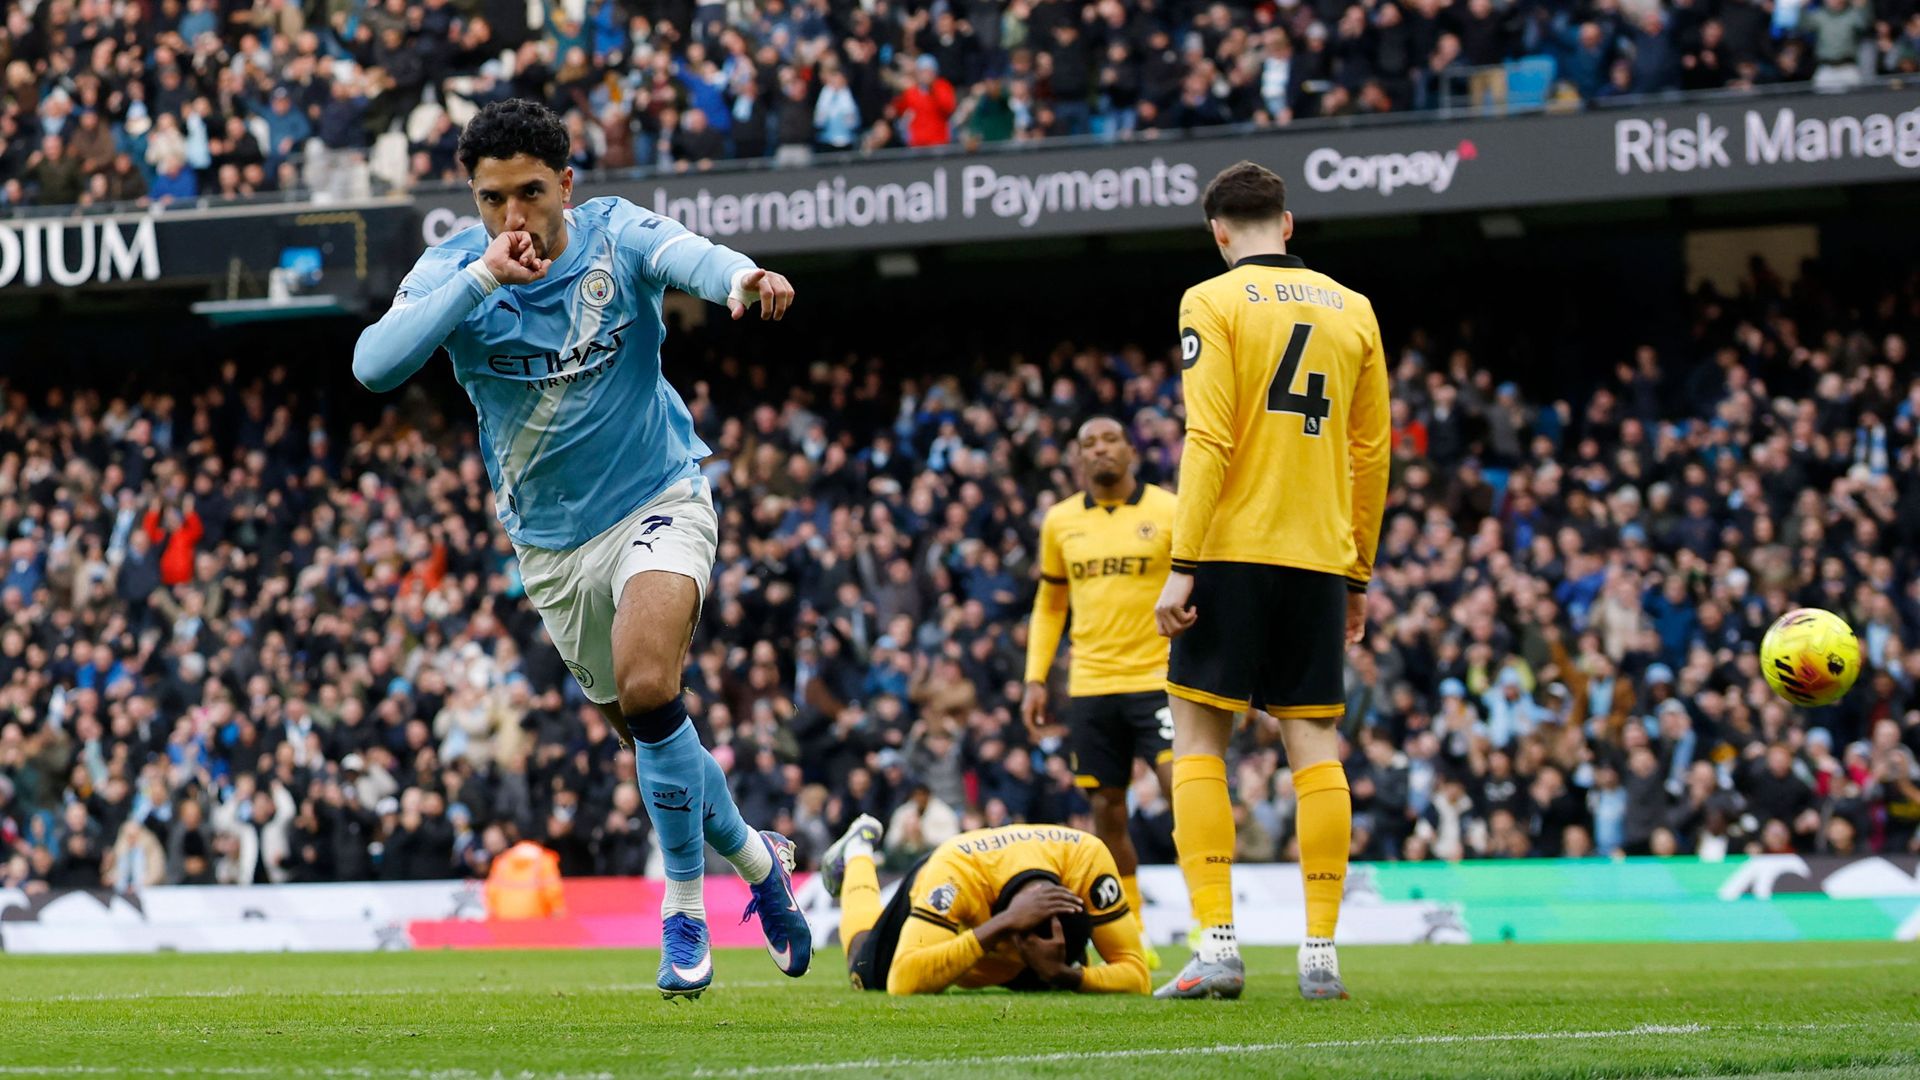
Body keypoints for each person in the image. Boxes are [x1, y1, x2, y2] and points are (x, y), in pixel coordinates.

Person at [351, 98, 809, 1000]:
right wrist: (481, 277)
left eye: (529, 193)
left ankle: (683, 912)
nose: (513, 218)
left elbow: (691, 255)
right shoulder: (454, 272)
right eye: (492, 200)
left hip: (658, 497)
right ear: (471, 200)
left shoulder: (613, 237)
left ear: (566, 184)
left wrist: (744, 278)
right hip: (551, 549)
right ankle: (760, 863)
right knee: (654, 735)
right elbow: (374, 365)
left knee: (649, 686)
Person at [1152, 161, 1390, 1001]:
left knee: (1199, 740)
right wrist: (1357, 572)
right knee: (1315, 747)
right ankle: (1320, 954)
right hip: (1321, 557)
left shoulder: (1209, 301)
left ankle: (1218, 946)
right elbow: (1372, 454)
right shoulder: (1355, 309)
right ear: (1288, 224)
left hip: (1230, 551)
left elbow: (1207, 436)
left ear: (1219, 232)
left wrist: (1183, 566)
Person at [1022, 415, 1177, 966]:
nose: (1100, 449)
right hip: (1091, 685)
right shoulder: (1061, 521)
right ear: (1078, 458)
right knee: (1107, 812)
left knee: (1184, 789)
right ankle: (1133, 933)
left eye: (1110, 439)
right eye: (1088, 443)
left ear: (1131, 450)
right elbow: (1050, 605)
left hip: (1160, 678)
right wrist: (1035, 678)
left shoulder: (1169, 510)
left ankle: (1213, 923)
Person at [815, 814, 1149, 995]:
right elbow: (903, 982)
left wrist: (1068, 976)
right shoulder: (957, 872)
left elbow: (1138, 976)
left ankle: (1045, 969)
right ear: (1016, 937)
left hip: (1007, 915)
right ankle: (858, 851)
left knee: (1049, 987)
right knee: (864, 975)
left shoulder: (1088, 860)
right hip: (952, 875)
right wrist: (999, 926)